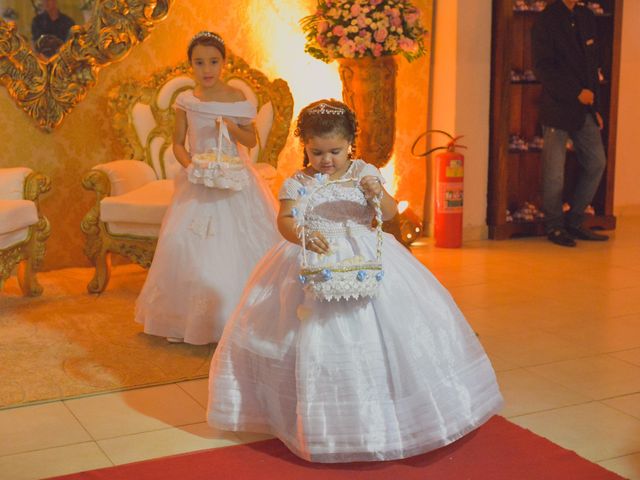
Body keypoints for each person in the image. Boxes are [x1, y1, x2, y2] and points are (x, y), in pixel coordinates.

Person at [207, 99, 503, 463]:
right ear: (305, 147)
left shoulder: (365, 172)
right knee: (300, 332)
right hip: (313, 252)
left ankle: (386, 414)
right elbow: (284, 219)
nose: (326, 160)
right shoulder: (298, 182)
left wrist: (376, 192)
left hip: (365, 253)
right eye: (317, 152)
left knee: (387, 332)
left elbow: (391, 213)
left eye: (335, 151)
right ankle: (308, 417)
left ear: (351, 145)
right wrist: (299, 232)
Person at [134, 31, 281, 345]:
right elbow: (177, 143)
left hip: (236, 181)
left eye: (213, 61)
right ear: (191, 66)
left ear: (224, 63)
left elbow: (251, 140)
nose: (207, 68)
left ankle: (240, 316)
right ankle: (190, 319)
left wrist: (230, 127)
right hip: (200, 179)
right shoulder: (187, 102)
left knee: (237, 245)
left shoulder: (238, 101)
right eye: (199, 62)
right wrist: (192, 166)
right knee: (183, 242)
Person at [532, 0, 609, 247]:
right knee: (554, 172)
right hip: (558, 106)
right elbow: (543, 68)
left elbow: (592, 64)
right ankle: (555, 226)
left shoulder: (585, 16)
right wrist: (575, 92)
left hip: (584, 107)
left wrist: (594, 108)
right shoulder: (547, 19)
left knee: (597, 162)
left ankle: (575, 221)